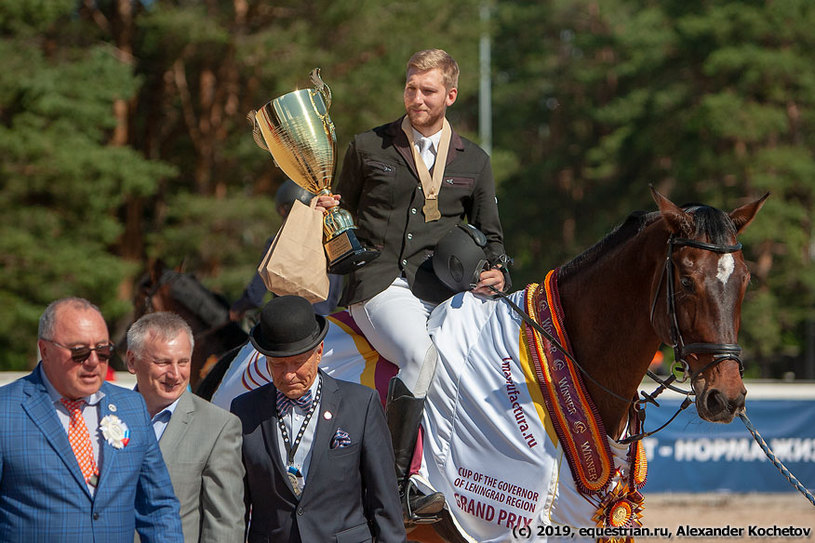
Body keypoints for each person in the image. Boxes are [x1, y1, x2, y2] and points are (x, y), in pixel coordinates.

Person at [316, 48, 511, 521]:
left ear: (450, 94)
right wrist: (323, 209)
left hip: (440, 292)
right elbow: (339, 211)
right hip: (376, 281)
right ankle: (396, 486)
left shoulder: (476, 161)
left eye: (427, 90)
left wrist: (498, 269)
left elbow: (493, 237)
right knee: (420, 357)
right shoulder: (367, 147)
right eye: (411, 88)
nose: (417, 98)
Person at [0, 297, 183, 542]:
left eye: (103, 350)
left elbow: (158, 507)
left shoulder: (131, 407)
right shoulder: (7, 410)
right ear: (45, 350)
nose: (93, 362)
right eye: (79, 352)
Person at [231, 295, 406, 542]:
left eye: (297, 362)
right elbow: (235, 504)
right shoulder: (244, 410)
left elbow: (385, 503)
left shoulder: (361, 404)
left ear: (319, 352)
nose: (289, 375)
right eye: (278, 364)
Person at [126, 311, 245, 543]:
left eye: (183, 362)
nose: (175, 374)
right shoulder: (106, 415)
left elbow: (224, 525)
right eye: (162, 362)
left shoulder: (218, 426)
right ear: (132, 361)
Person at [230, 179, 343, 320]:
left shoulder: (277, 242)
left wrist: (238, 309)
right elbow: (335, 296)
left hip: (290, 322)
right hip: (326, 324)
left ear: (286, 210)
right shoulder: (332, 241)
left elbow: (255, 296)